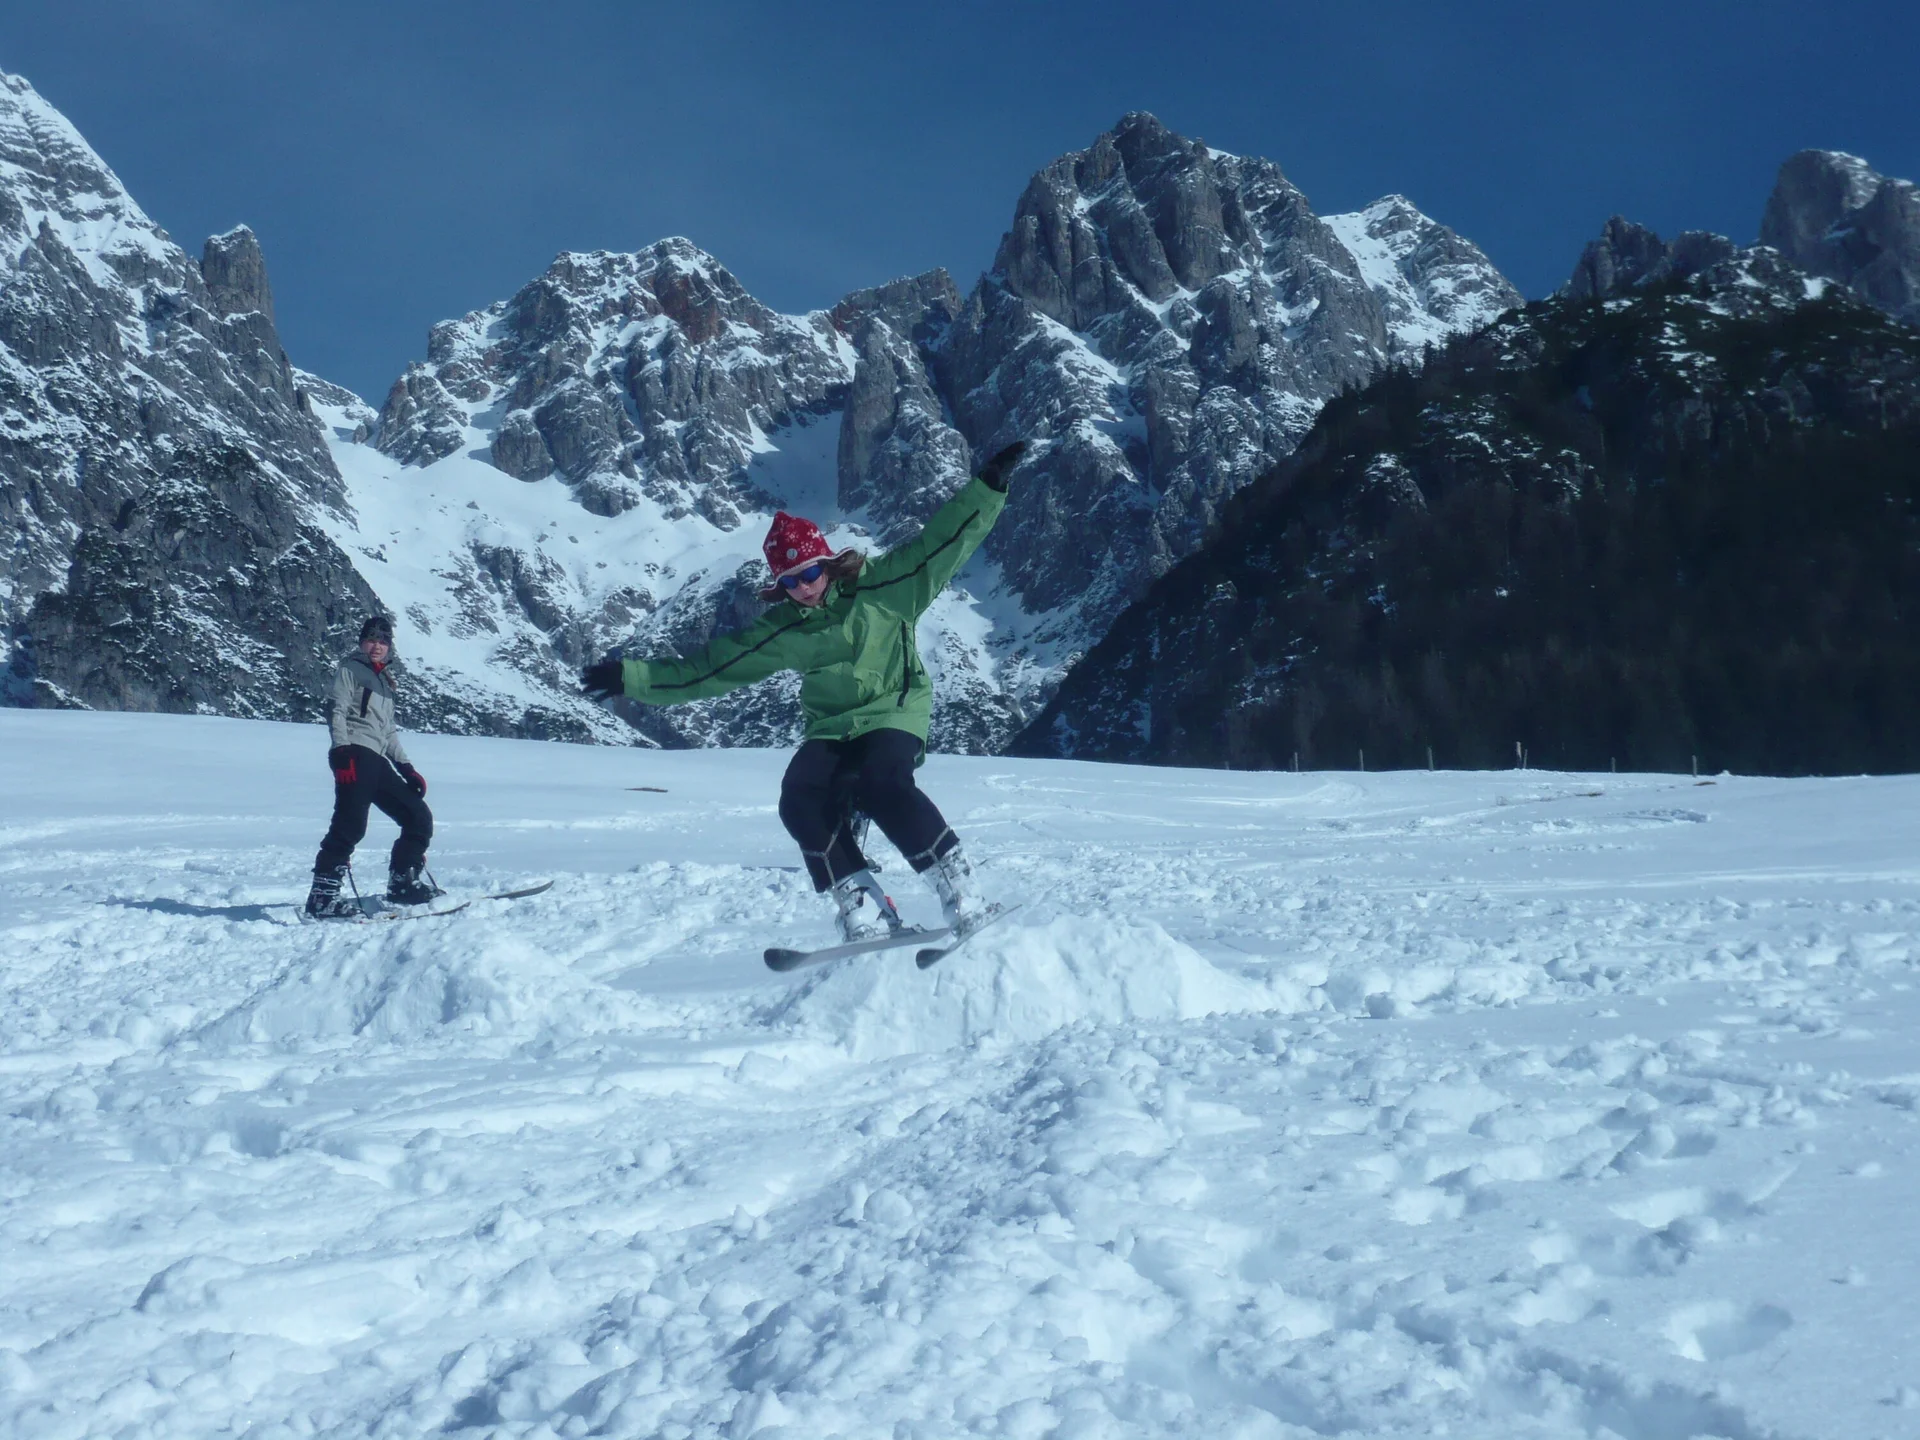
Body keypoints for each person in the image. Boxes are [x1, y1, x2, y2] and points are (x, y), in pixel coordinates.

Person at [581, 442, 1028, 943]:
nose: (805, 588)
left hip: (894, 711)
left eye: (811, 572)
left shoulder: (887, 587)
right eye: (790, 581)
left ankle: (961, 893)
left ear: (827, 563)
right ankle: (862, 907)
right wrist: (632, 678)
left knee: (882, 785)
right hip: (832, 726)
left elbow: (944, 543)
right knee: (799, 797)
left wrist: (988, 486)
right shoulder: (784, 630)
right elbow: (710, 669)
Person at [304, 615, 441, 917]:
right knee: (350, 824)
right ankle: (322, 898)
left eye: (383, 640)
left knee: (418, 817)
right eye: (371, 639)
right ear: (361, 642)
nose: (377, 645)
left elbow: (388, 732)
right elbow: (337, 711)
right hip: (354, 753)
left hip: (377, 759)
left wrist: (407, 769)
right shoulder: (350, 669)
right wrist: (341, 751)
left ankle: (403, 885)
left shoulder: (385, 682)